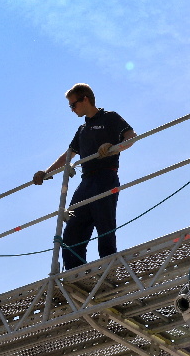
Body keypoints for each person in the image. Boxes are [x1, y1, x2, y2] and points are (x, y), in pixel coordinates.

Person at [33, 83, 136, 270]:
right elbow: (68, 156)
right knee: (72, 230)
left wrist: (113, 149)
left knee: (104, 225)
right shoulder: (82, 130)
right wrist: (46, 172)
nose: (72, 110)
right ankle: (75, 273)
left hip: (106, 177)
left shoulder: (110, 118)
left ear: (85, 99)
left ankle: (109, 268)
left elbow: (131, 137)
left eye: (73, 105)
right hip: (86, 182)